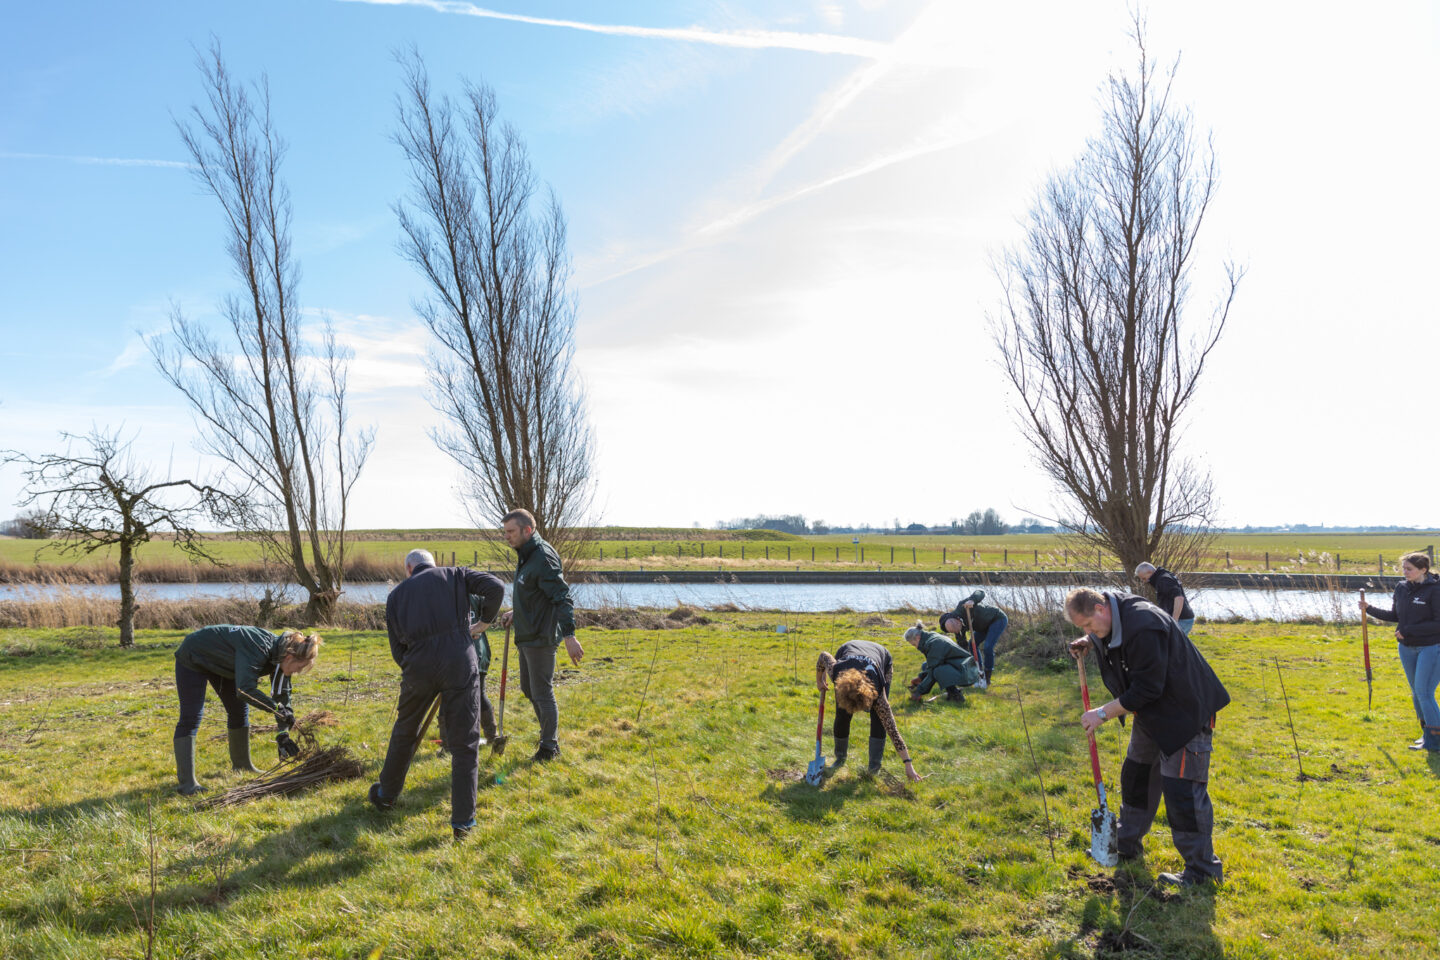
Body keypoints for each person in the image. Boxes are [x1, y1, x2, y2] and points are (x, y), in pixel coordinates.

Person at [1065, 587, 1230, 887]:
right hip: (1151, 711)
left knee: (1182, 792)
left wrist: (1101, 713)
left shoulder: (1145, 625)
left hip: (1185, 712)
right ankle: (1126, 843)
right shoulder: (1112, 615)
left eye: (1088, 625)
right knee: (1137, 775)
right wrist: (1090, 640)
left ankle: (1202, 871)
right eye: (1083, 629)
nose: (1088, 631)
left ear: (1100, 609)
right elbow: (1114, 639)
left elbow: (1147, 688)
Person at [369, 549, 505, 840]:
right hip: (459, 662)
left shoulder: (396, 596)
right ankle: (463, 822)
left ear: (409, 569)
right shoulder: (455, 574)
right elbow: (496, 587)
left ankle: (386, 795)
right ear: (434, 564)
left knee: (405, 730)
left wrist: (414, 667)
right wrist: (483, 623)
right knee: (465, 742)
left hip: (418, 667)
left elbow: (396, 649)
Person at [172, 624, 321, 795]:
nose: (298, 672)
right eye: (299, 667)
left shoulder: (280, 655)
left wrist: (283, 734)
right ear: (289, 658)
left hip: (225, 663)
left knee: (239, 712)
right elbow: (245, 690)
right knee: (191, 718)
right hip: (195, 654)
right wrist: (275, 708)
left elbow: (282, 698)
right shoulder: (259, 648)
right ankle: (187, 785)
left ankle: (242, 765)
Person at [497, 509, 583, 763]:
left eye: (511, 532)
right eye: (505, 532)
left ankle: (549, 748)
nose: (507, 537)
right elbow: (535, 593)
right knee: (528, 688)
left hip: (541, 636)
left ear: (527, 530)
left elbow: (562, 597)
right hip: (527, 633)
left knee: (542, 692)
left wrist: (569, 636)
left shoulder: (542, 557)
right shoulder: (526, 555)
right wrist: (516, 612)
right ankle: (547, 734)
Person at [1360, 551, 1440, 751]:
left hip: (1431, 647)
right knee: (1416, 693)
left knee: (1424, 693)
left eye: (1409, 569)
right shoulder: (1401, 588)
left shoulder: (1435, 590)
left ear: (1423, 569)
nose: (1405, 572)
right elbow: (1395, 615)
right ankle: (1426, 735)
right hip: (1406, 648)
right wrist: (1369, 609)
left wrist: (1408, 630)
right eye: (1403, 568)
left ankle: (1435, 740)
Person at [815, 638, 922, 781]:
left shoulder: (878, 695)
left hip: (881, 658)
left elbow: (892, 729)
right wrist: (819, 680)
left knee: (880, 720)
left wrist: (908, 764)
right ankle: (840, 758)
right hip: (848, 649)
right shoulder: (836, 671)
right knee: (842, 714)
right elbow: (823, 656)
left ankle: (874, 767)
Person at [437, 594, 499, 754]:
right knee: (477, 693)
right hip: (474, 651)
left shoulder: (446, 594)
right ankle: (491, 737)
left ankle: (448, 745)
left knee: (448, 696)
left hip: (462, 652)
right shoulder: (475, 593)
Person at [939, 589, 1008, 684]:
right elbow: (963, 646)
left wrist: (972, 600)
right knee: (972, 645)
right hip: (983, 627)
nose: (959, 632)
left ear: (957, 621)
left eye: (959, 628)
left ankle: (987, 676)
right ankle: (979, 672)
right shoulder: (957, 629)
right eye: (956, 632)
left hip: (997, 619)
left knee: (988, 647)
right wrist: (967, 662)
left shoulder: (962, 606)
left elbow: (980, 592)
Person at [903, 621, 980, 703]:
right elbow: (931, 665)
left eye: (914, 644)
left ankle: (956, 696)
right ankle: (952, 692)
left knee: (938, 671)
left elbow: (932, 671)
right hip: (961, 667)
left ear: (918, 637)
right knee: (926, 665)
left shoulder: (934, 644)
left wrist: (919, 691)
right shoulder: (931, 637)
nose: (916, 647)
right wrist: (921, 677)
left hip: (967, 672)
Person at [1135, 562, 1195, 636]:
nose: (1144, 581)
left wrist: (1174, 622)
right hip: (1183, 618)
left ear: (1149, 572)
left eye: (1144, 578)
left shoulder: (1164, 580)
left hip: (1181, 620)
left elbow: (1179, 598)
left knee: (1172, 642)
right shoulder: (1163, 575)